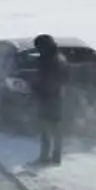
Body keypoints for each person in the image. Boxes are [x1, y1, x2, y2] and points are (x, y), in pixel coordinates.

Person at [32, 34, 67, 165]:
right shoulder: (59, 58)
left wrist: (36, 88)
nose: (37, 50)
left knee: (46, 129)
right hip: (57, 97)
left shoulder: (49, 61)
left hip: (48, 98)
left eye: (38, 47)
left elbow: (47, 81)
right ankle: (56, 157)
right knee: (56, 129)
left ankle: (45, 157)